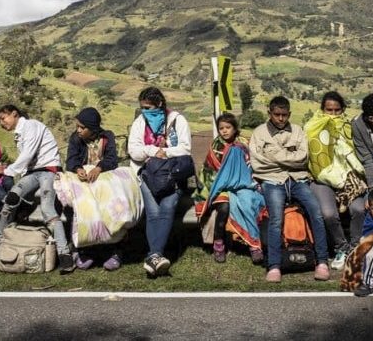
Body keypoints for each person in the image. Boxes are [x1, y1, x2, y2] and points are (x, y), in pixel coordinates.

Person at [250, 96, 330, 283]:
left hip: (297, 179)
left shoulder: (298, 131)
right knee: (276, 219)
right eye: (276, 114)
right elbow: (258, 163)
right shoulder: (259, 133)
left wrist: (273, 155)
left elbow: (303, 157)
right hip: (272, 180)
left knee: (316, 212)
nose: (280, 119)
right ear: (269, 113)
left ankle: (322, 261)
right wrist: (289, 157)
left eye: (284, 115)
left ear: (289, 114)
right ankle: (274, 265)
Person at [0, 104, 75, 274]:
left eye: (3, 118)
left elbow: (27, 155)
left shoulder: (31, 125)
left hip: (49, 170)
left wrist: (7, 170)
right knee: (10, 200)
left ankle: (64, 254)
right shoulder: (19, 134)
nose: (2, 123)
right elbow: (27, 164)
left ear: (14, 114)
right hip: (32, 173)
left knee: (47, 209)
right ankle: (1, 243)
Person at [61, 107, 140, 271]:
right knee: (84, 207)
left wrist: (99, 168)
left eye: (82, 127)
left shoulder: (107, 136)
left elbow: (112, 159)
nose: (78, 130)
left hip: (103, 178)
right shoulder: (76, 138)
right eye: (78, 126)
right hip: (85, 179)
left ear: (93, 129)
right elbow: (71, 160)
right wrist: (78, 169)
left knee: (112, 205)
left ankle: (115, 249)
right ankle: (85, 249)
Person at [127, 87, 193, 277]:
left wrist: (166, 152)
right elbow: (134, 151)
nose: (145, 111)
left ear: (159, 104)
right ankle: (157, 256)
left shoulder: (177, 120)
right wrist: (154, 150)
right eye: (142, 108)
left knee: (167, 207)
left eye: (148, 107)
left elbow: (185, 149)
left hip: (172, 175)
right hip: (147, 175)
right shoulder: (140, 123)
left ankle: (154, 255)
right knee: (153, 212)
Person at [306, 91, 366, 271]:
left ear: (343, 110)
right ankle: (342, 247)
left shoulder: (351, 128)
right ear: (322, 109)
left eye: (337, 110)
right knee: (328, 213)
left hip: (349, 177)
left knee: (359, 209)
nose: (332, 114)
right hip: (321, 177)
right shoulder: (312, 126)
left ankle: (355, 248)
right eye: (329, 110)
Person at [194, 112, 265, 264]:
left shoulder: (243, 143)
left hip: (244, 184)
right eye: (221, 128)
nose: (225, 131)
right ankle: (218, 243)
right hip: (220, 187)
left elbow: (252, 165)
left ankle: (254, 245)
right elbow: (209, 170)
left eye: (228, 127)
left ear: (234, 128)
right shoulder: (216, 146)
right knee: (224, 207)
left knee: (247, 203)